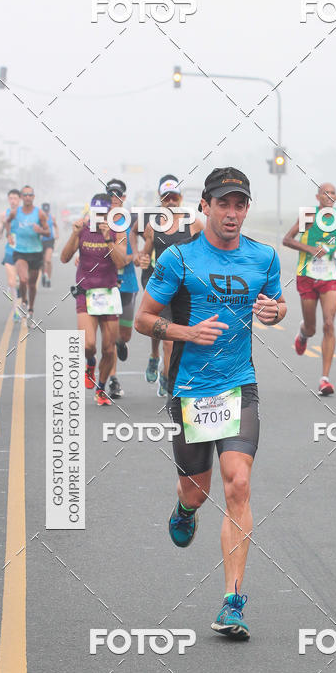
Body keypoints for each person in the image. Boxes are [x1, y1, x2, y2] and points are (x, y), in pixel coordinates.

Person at [135, 167, 287, 640]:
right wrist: (187, 332)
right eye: (223, 204)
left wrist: (274, 311)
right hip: (191, 391)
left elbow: (278, 304)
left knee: (238, 484)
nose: (232, 213)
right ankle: (184, 510)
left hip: (239, 386)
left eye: (240, 204)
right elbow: (142, 318)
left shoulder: (263, 257)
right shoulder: (179, 259)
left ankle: (233, 602)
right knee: (196, 492)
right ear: (205, 206)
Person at [137, 175, 203, 397]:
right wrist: (142, 259)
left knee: (178, 337)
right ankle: (162, 366)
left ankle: (167, 374)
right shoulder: (153, 225)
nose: (171, 202)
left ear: (181, 198)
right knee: (167, 338)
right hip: (160, 284)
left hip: (186, 287)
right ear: (161, 200)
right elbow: (145, 254)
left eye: (174, 197)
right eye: (167, 198)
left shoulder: (194, 222)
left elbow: (208, 249)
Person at [60, 193, 127, 406]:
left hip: (108, 293)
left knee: (109, 349)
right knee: (89, 345)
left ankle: (101, 387)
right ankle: (89, 362)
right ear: (90, 211)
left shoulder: (118, 231)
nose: (98, 217)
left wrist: (108, 238)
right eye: (95, 212)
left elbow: (122, 262)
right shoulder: (83, 229)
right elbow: (64, 258)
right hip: (86, 293)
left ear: (109, 212)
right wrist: (74, 235)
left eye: (102, 213)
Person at [283, 182, 336, 396]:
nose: (330, 196)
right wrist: (309, 249)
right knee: (312, 328)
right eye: (325, 193)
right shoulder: (309, 216)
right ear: (318, 197)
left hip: (330, 277)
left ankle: (324, 379)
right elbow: (287, 240)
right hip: (307, 276)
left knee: (329, 324)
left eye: (333, 193)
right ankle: (303, 333)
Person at [105, 178, 138, 400]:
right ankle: (113, 380)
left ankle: (120, 342)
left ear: (124, 197)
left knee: (123, 334)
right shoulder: (99, 220)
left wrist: (135, 257)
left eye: (118, 195)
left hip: (128, 283)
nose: (114, 199)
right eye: (110, 195)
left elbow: (138, 250)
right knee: (109, 335)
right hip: (105, 283)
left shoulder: (133, 220)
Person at [5, 185, 51, 328]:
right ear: (21, 197)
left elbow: (48, 232)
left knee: (32, 284)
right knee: (23, 279)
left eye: (30, 195)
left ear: (33, 197)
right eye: (25, 195)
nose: (27, 197)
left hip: (36, 252)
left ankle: (30, 309)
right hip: (20, 252)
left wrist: (40, 230)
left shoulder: (39, 214)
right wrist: (8, 236)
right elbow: (7, 222)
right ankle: (23, 301)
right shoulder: (15, 212)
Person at [0, 188, 21, 320]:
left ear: (20, 200)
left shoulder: (26, 214)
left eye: (15, 198)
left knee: (22, 281)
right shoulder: (4, 214)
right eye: (10, 198)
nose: (13, 201)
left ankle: (16, 294)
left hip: (24, 251)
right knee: (11, 281)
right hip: (10, 250)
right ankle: (16, 310)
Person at [41, 202, 59, 288]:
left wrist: (57, 234)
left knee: (48, 260)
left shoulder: (52, 218)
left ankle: (48, 278)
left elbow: (56, 226)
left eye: (47, 211)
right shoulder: (39, 218)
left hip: (50, 240)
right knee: (42, 262)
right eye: (44, 211)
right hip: (40, 241)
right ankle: (44, 274)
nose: (46, 213)